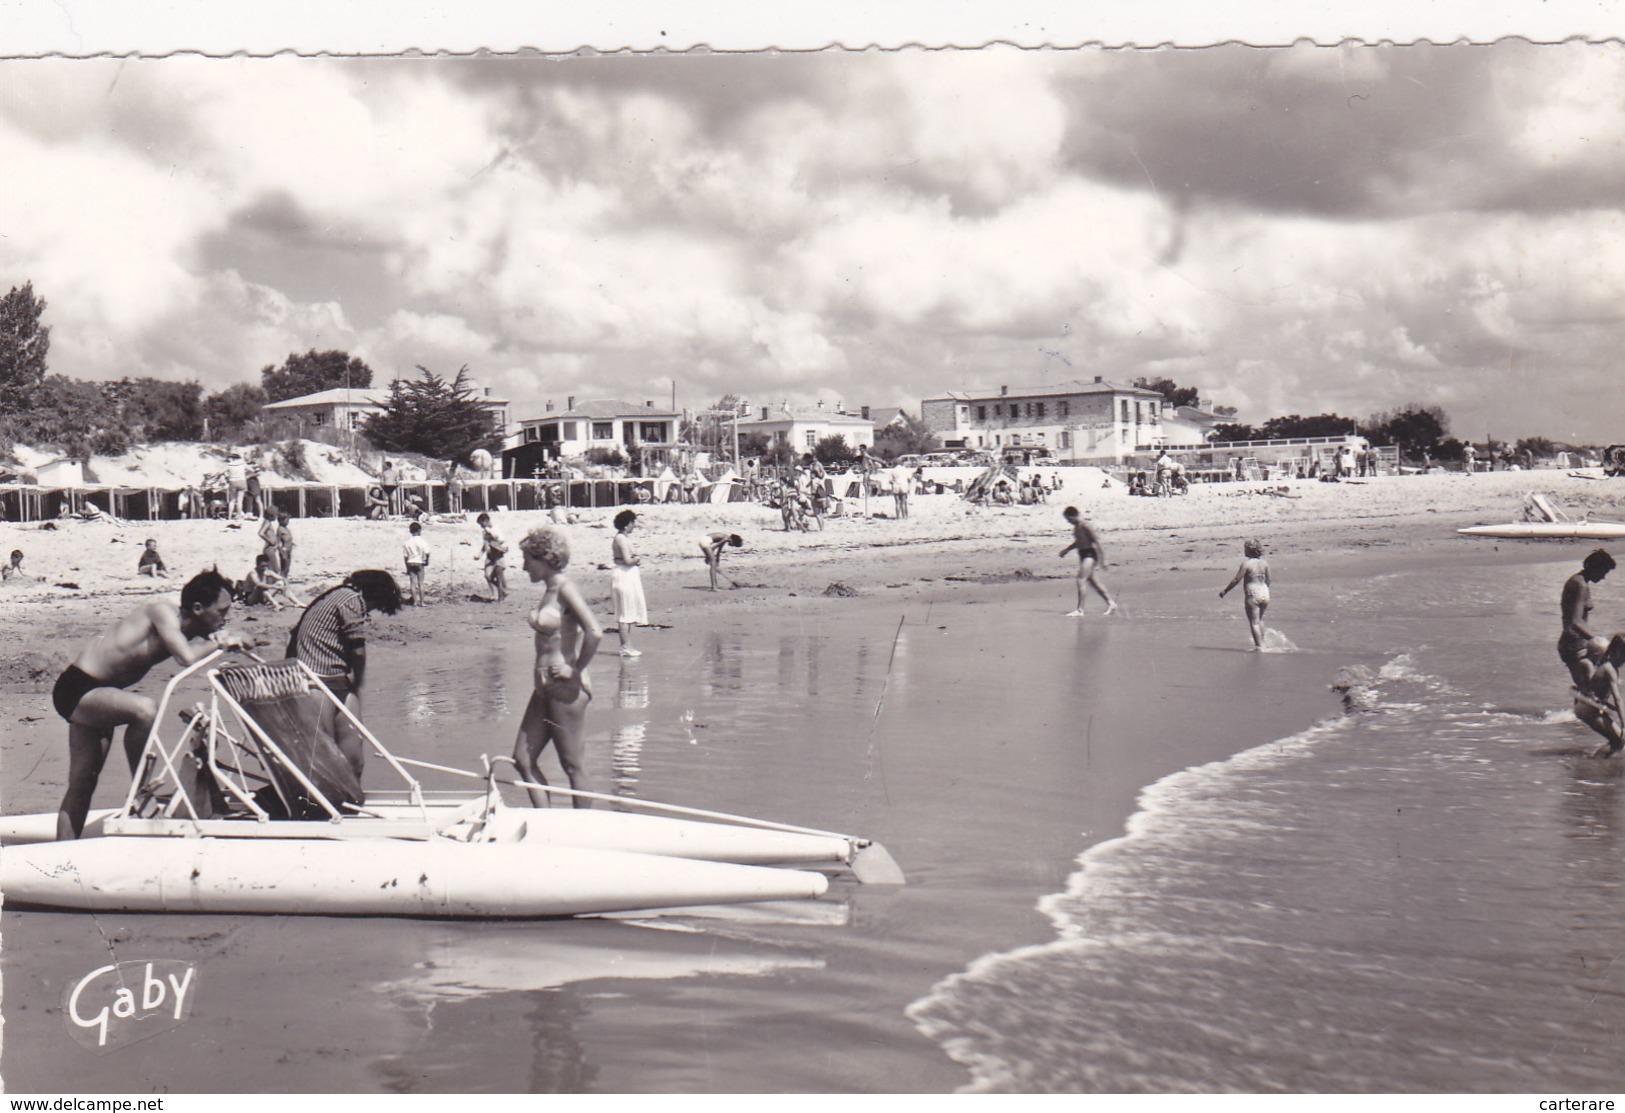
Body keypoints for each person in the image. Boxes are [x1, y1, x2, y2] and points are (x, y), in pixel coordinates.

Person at [53, 569, 248, 838]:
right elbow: (187, 658)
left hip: (101, 694)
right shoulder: (162, 613)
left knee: (83, 783)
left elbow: (195, 646)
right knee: (144, 710)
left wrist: (219, 641)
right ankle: (141, 792)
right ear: (198, 608)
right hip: (76, 688)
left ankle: (64, 856)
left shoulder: (188, 631)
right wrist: (224, 642)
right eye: (222, 611)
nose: (226, 619)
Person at [511, 526, 603, 808]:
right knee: (523, 759)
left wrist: (574, 670)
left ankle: (581, 831)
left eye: (528, 559)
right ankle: (546, 822)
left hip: (565, 686)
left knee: (572, 764)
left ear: (545, 559)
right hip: (543, 687)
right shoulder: (549, 590)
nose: (524, 565)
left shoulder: (565, 588)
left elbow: (594, 631)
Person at [287, 570, 403, 781]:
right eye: (375, 606)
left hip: (334, 678)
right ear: (374, 595)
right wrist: (359, 681)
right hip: (315, 680)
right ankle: (327, 805)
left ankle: (351, 801)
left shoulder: (339, 595)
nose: (371, 611)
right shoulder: (351, 598)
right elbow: (357, 649)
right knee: (326, 754)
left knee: (354, 758)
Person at [1560, 549, 1616, 685]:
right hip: (1574, 645)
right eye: (1603, 572)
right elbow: (1576, 622)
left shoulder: (1578, 580)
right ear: (1594, 567)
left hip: (1574, 643)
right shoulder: (1580, 585)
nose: (1603, 577)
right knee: (1592, 690)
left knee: (1588, 689)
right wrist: (1599, 642)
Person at [1059, 505, 1117, 617]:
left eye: (1069, 519)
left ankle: (1080, 610)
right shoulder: (1077, 528)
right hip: (1082, 554)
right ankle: (1111, 603)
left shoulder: (1086, 526)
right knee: (1093, 582)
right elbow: (1078, 542)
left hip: (1090, 554)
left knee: (1080, 579)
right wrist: (1066, 550)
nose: (1069, 522)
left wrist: (1103, 560)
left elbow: (1097, 542)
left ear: (1074, 516)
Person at [1575, 635, 1625, 758]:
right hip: (1588, 710)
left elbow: (1596, 692)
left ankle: (1596, 762)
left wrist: (1609, 707)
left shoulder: (1610, 667)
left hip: (1587, 707)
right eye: (1623, 653)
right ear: (1613, 651)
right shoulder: (1609, 669)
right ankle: (1594, 764)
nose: (1624, 658)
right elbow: (1618, 699)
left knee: (1618, 740)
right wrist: (1624, 725)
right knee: (1619, 739)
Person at [1219, 539, 1272, 649]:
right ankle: (1264, 643)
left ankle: (1260, 647)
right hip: (1265, 592)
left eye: (1245, 549)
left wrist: (1225, 591)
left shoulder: (1246, 564)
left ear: (1249, 550)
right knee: (1259, 620)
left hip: (1253, 592)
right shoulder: (1265, 563)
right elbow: (1269, 580)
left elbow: (1236, 579)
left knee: (1254, 622)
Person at [611, 510, 646, 657]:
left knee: (627, 611)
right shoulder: (622, 539)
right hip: (624, 574)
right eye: (633, 523)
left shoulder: (621, 538)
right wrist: (637, 559)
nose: (634, 526)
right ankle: (625, 647)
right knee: (625, 613)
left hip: (625, 573)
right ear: (627, 524)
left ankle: (627, 646)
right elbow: (627, 560)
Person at [239, 553, 306, 610]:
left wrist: (285, 584)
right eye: (262, 566)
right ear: (257, 564)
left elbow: (282, 578)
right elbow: (258, 584)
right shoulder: (253, 573)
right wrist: (274, 587)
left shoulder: (266, 571)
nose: (264, 568)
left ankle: (296, 602)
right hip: (251, 598)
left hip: (263, 597)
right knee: (262, 587)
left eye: (266, 566)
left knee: (280, 583)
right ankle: (275, 604)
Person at [478, 512, 508, 602]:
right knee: (488, 575)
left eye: (481, 524)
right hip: (490, 556)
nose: (481, 526)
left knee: (499, 575)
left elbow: (502, 540)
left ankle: (501, 596)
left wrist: (491, 536)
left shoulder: (495, 529)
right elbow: (485, 544)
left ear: (486, 521)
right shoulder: (485, 532)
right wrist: (479, 554)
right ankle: (500, 591)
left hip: (498, 554)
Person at [402, 520, 430, 605]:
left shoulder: (407, 542)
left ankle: (415, 602)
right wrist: (427, 560)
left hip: (410, 562)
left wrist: (407, 567)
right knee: (421, 583)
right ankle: (422, 602)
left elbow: (405, 556)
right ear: (419, 531)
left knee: (412, 583)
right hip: (419, 562)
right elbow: (427, 552)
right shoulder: (421, 541)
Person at [257, 506, 282, 575]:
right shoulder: (267, 523)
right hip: (269, 549)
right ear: (271, 515)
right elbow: (260, 533)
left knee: (271, 568)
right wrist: (270, 541)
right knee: (275, 569)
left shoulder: (267, 522)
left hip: (270, 549)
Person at [225, 453, 248, 518]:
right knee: (240, 501)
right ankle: (239, 516)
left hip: (233, 482)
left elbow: (221, 472)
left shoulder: (229, 465)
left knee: (232, 500)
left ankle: (229, 516)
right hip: (241, 481)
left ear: (233, 458)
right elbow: (252, 470)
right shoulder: (242, 464)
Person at [276, 511, 296, 581]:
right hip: (284, 550)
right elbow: (277, 541)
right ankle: (282, 580)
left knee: (287, 567)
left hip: (289, 549)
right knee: (284, 567)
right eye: (286, 520)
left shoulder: (286, 529)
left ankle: (285, 579)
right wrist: (281, 550)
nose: (288, 522)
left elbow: (288, 538)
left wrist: (292, 543)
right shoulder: (280, 529)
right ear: (281, 520)